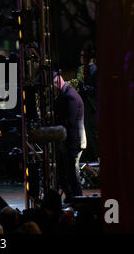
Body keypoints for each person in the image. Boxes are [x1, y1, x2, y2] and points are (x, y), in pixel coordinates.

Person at [53, 72, 87, 204]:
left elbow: (70, 121)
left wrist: (55, 121)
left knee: (72, 173)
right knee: (64, 172)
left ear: (57, 83)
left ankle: (78, 199)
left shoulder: (70, 96)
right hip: (71, 140)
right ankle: (72, 197)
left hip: (75, 141)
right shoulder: (66, 94)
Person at [76, 42, 98, 162]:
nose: (81, 58)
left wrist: (85, 87)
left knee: (93, 133)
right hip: (84, 106)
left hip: (92, 107)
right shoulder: (81, 69)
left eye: (83, 55)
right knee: (86, 132)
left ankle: (97, 157)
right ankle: (90, 156)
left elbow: (97, 90)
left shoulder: (95, 70)